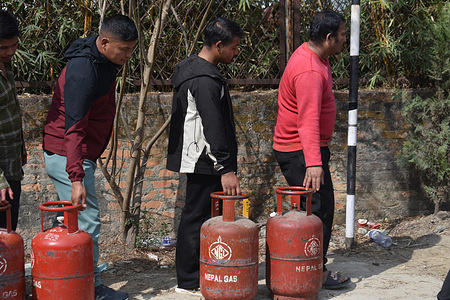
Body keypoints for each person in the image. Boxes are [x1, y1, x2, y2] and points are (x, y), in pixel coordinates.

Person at [42, 14, 137, 300]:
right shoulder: (84, 71)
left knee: (68, 223)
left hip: (73, 152)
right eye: (125, 50)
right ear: (105, 42)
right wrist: (77, 177)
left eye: (132, 49)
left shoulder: (102, 59)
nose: (128, 56)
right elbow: (73, 127)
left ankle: (65, 281)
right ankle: (90, 288)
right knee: (88, 220)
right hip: (68, 152)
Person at [272, 11, 350, 290]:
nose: (345, 38)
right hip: (301, 150)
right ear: (328, 38)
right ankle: (315, 270)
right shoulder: (310, 70)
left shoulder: (315, 56)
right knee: (319, 210)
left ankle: (308, 265)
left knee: (315, 208)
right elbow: (307, 120)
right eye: (342, 34)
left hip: (304, 149)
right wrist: (313, 163)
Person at [166, 17, 244, 295]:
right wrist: (225, 168)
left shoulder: (193, 69)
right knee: (196, 216)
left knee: (200, 216)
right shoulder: (205, 79)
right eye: (234, 47)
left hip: (201, 156)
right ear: (218, 44)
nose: (236, 53)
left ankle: (204, 272)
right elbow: (212, 126)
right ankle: (188, 281)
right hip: (204, 158)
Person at [0, 10, 27, 232]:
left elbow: (10, 115)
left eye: (14, 45)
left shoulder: (5, 66)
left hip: (10, 167)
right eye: (3, 48)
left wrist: (21, 150)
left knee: (9, 237)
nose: (10, 52)